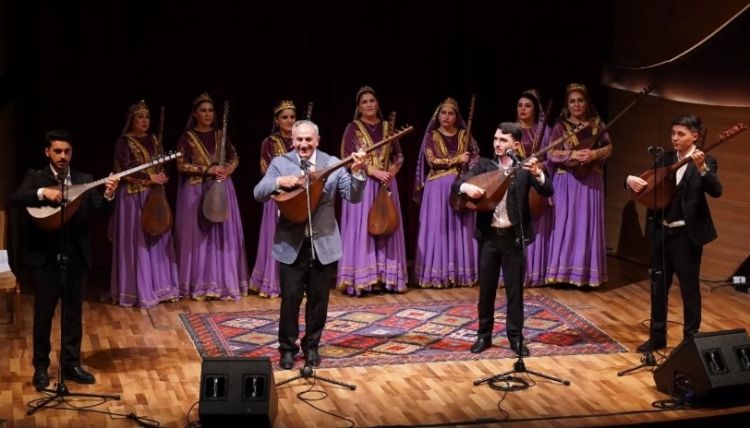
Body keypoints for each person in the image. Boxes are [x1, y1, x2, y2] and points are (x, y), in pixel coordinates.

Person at [254, 120, 367, 369]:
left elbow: (354, 197)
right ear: (292, 141)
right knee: (290, 300)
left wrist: (358, 172)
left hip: (323, 244)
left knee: (318, 301)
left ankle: (312, 345)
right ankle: (287, 348)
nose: (304, 144)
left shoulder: (332, 164)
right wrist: (278, 182)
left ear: (317, 140)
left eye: (308, 139)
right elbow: (258, 193)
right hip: (291, 245)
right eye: (299, 140)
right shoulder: (280, 163)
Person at [11, 129, 119, 390]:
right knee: (44, 314)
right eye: (57, 151)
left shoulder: (85, 179)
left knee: (73, 314)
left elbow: (99, 210)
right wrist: (42, 193)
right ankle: (40, 367)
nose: (62, 156)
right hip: (45, 258)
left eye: (67, 151)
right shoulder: (35, 177)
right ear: (47, 152)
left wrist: (109, 194)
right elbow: (15, 198)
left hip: (75, 257)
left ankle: (71, 364)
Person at [453, 122, 552, 356]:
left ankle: (516, 338)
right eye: (496, 139)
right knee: (486, 290)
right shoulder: (484, 166)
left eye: (503, 140)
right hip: (489, 237)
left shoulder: (524, 168)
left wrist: (538, 174)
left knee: (515, 292)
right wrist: (467, 188)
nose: (497, 144)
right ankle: (483, 336)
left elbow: (548, 191)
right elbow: (458, 184)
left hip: (513, 238)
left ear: (516, 145)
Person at [625, 115, 722, 352]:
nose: (675, 138)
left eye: (681, 134)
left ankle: (690, 340)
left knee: (689, 290)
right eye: (673, 133)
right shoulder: (666, 158)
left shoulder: (707, 159)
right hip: (661, 232)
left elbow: (716, 190)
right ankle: (657, 337)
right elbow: (646, 183)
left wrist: (702, 169)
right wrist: (629, 180)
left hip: (686, 236)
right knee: (658, 287)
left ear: (694, 136)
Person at [175, 92, 249, 301]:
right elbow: (180, 165)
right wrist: (207, 170)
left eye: (210, 111)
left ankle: (222, 283)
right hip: (196, 190)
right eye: (203, 111)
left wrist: (227, 170)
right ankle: (199, 284)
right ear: (195, 114)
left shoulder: (220, 135)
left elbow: (235, 157)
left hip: (221, 187)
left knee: (222, 236)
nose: (207, 114)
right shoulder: (187, 138)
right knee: (199, 238)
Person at [337, 86, 408, 296]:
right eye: (364, 102)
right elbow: (348, 158)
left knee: (387, 225)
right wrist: (374, 172)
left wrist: (391, 173)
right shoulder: (353, 128)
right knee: (364, 229)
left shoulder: (388, 127)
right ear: (359, 108)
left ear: (377, 104)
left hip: (386, 184)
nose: (369, 105)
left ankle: (386, 278)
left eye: (372, 101)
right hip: (364, 185)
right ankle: (363, 280)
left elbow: (399, 156)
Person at [109, 100, 179, 308]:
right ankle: (137, 290)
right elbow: (124, 168)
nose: (144, 121)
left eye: (147, 117)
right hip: (133, 197)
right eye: (140, 117)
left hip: (154, 196)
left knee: (157, 237)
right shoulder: (124, 142)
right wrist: (151, 179)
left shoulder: (155, 139)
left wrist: (162, 176)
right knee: (137, 242)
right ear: (131, 120)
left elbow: (160, 164)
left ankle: (160, 287)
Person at [545, 83, 611, 287]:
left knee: (586, 223)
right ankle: (562, 273)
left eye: (580, 100)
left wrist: (594, 153)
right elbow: (550, 153)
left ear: (587, 102)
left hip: (591, 179)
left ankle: (585, 275)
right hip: (567, 180)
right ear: (567, 104)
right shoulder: (560, 127)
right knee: (566, 223)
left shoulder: (597, 125)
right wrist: (572, 154)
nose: (576, 104)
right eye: (572, 101)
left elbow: (609, 147)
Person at [413, 97, 479, 288]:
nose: (446, 117)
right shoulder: (431, 136)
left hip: (461, 187)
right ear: (438, 115)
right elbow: (432, 160)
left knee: (461, 227)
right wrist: (458, 159)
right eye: (443, 113)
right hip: (438, 189)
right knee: (440, 228)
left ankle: (460, 273)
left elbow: (475, 156)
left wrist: (469, 165)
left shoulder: (465, 135)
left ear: (456, 117)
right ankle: (437, 274)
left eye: (451, 113)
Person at [249, 100, 297, 298]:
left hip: (299, 196)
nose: (289, 121)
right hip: (277, 196)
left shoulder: (300, 140)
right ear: (277, 120)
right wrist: (284, 181)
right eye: (284, 117)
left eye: (292, 117)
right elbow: (265, 170)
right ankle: (273, 282)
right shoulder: (269, 143)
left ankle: (296, 282)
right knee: (276, 238)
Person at [514, 89, 553, 287]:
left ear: (535, 109)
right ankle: (515, 274)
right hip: (516, 182)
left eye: (527, 106)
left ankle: (535, 273)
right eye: (520, 105)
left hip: (536, 182)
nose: (523, 109)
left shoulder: (544, 131)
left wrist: (539, 167)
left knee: (537, 227)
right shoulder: (510, 130)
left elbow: (552, 158)